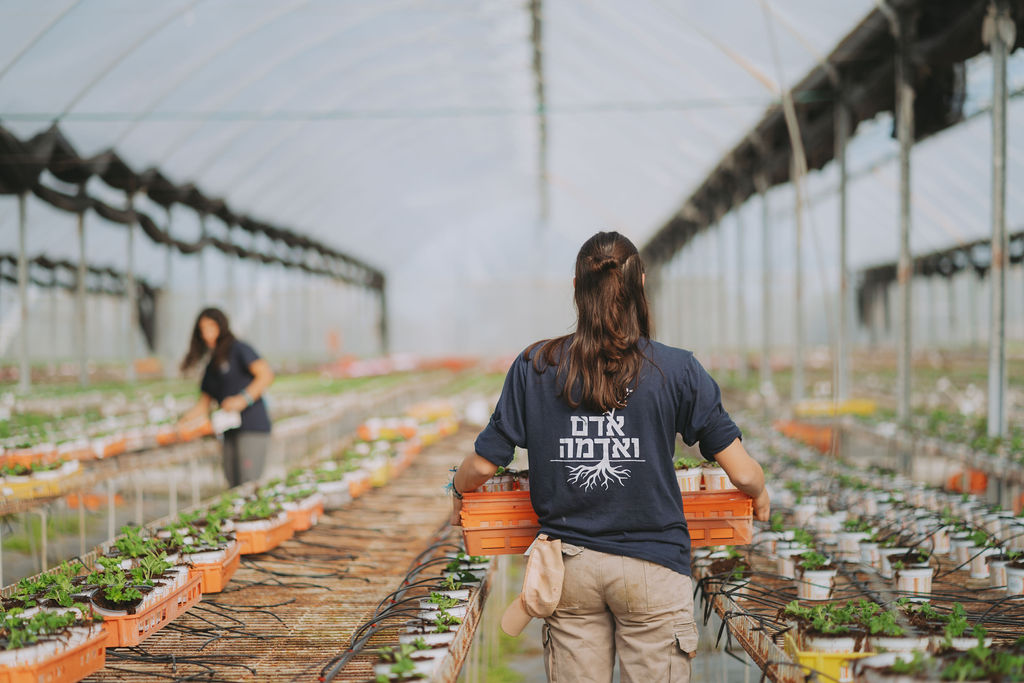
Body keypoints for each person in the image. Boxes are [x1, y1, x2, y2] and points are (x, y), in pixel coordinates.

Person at [450, 232, 770, 683]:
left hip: (569, 569)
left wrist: (457, 491)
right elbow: (740, 470)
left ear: (576, 287)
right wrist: (759, 492)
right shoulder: (676, 370)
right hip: (653, 566)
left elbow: (484, 465)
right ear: (640, 282)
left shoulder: (535, 366)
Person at [178, 307, 275, 488]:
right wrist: (182, 422)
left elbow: (266, 375)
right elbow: (204, 403)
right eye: (202, 329)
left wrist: (242, 399)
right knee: (233, 484)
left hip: (252, 427)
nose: (207, 333)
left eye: (211, 327)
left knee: (248, 483)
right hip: (230, 430)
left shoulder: (239, 349)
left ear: (221, 326)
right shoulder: (212, 364)